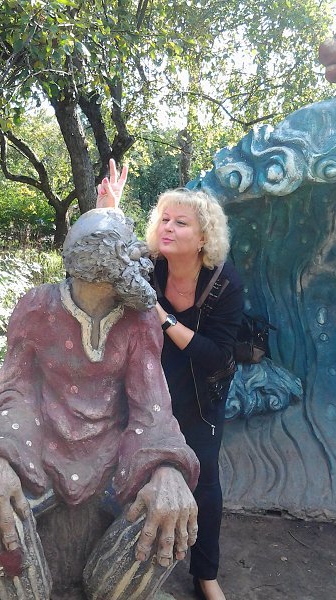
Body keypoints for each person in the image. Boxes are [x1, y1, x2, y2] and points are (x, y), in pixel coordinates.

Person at [0, 207, 200, 600]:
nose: (142, 260)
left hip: (112, 462)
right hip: (40, 453)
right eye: (129, 253)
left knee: (166, 514)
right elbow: (16, 390)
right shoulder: (37, 307)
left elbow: (151, 406)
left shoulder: (140, 321)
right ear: (97, 266)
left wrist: (167, 467)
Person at [97, 161, 244, 600]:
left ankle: (206, 574)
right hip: (149, 384)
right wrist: (107, 210)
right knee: (131, 461)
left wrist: (162, 316)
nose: (168, 227)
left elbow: (217, 355)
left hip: (202, 391)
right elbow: (104, 259)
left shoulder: (225, 283)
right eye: (164, 219)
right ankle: (125, 547)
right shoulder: (152, 266)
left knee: (205, 479)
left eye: (181, 222)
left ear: (203, 238)